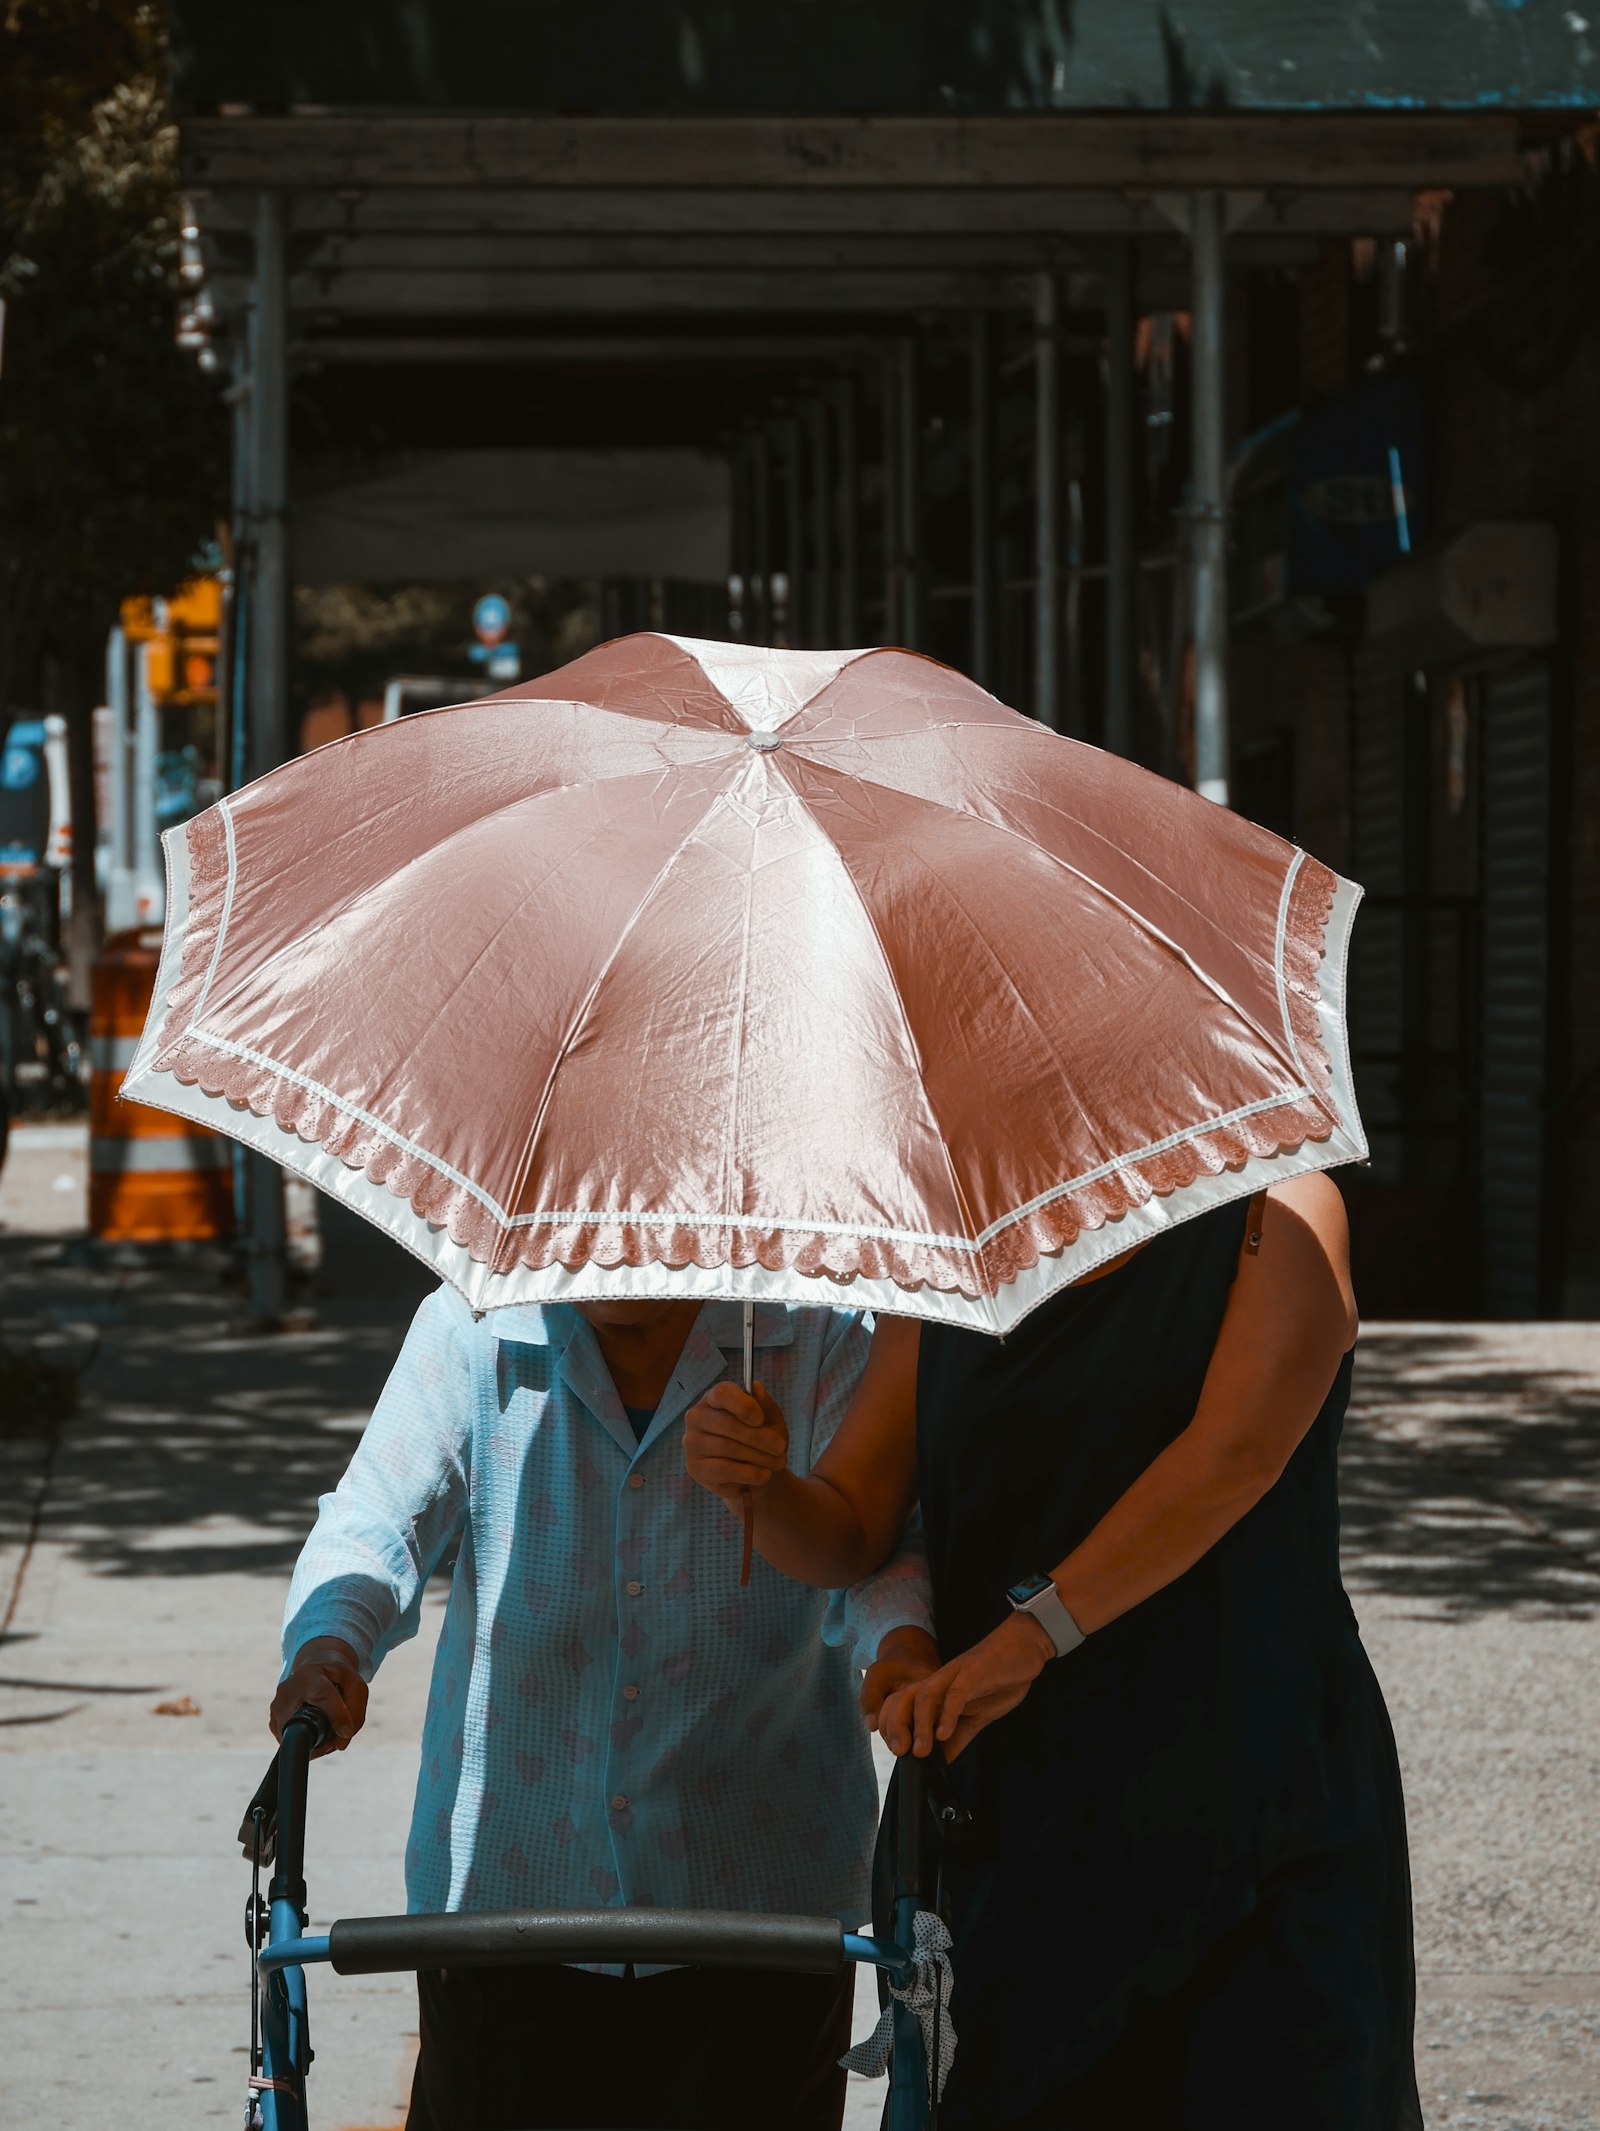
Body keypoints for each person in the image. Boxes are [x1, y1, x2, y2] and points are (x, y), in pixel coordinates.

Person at [685, 1175, 1424, 2131]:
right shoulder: (949, 1248)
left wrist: (1032, 1636)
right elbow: (855, 1523)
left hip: (1255, 1799)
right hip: (1021, 1817)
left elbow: (1234, 1455)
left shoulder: (1281, 1208)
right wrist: (761, 1489)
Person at [273, 1289, 937, 2131]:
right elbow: (376, 1516)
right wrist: (331, 1642)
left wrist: (902, 1643)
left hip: (760, 1898)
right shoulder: (476, 1330)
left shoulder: (817, 1338)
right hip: (508, 1896)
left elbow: (878, 1542)